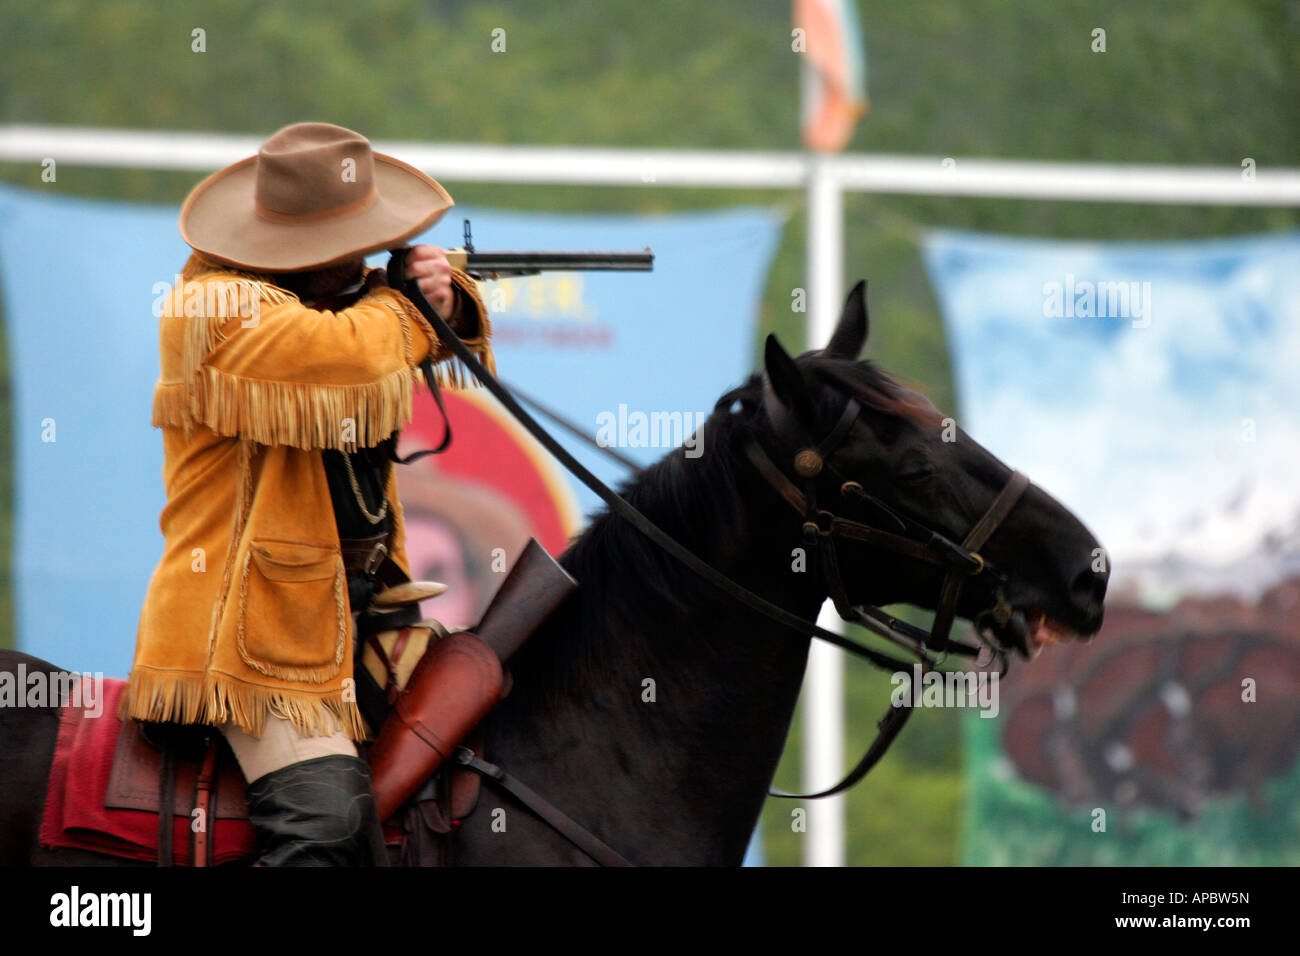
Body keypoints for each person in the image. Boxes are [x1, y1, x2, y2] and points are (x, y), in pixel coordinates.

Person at [123, 122, 494, 865]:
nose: (363, 258)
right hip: (252, 648)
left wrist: (444, 303)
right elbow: (346, 357)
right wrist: (411, 306)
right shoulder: (214, 308)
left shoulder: (338, 301)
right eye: (348, 246)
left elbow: (377, 336)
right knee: (326, 828)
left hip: (356, 619)